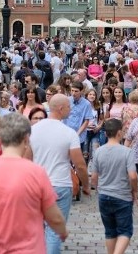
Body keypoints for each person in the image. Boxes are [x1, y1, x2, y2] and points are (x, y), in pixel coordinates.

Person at [0, 113, 68, 253]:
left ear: (0, 138)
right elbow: (54, 217)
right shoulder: (37, 173)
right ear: (26, 139)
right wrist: (62, 231)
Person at [26, 94, 90, 254]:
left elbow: (26, 160)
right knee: (54, 231)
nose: (71, 109)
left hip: (37, 185)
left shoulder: (32, 131)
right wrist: (86, 185)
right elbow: (80, 164)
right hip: (60, 184)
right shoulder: (69, 133)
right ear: (61, 108)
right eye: (69, 106)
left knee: (38, 229)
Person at [91, 119, 138, 254]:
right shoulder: (126, 152)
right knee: (125, 231)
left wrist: (99, 188)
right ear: (119, 133)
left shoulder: (99, 151)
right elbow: (133, 176)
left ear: (105, 134)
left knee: (110, 231)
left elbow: (94, 177)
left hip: (104, 195)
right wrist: (134, 190)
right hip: (122, 195)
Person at [63, 82, 94, 154]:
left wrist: (77, 134)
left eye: (76, 91)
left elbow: (86, 121)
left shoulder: (86, 104)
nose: (73, 93)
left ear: (81, 91)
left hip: (79, 136)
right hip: (66, 134)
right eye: (72, 90)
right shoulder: (66, 100)